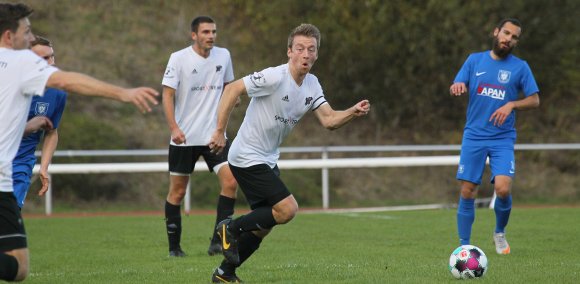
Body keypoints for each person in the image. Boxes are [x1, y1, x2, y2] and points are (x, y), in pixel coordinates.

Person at [0, 3, 158, 281]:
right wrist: (123, 93)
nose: (30, 37)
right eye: (26, 31)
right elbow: (69, 80)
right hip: (3, 177)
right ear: (8, 36)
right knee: (18, 266)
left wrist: (30, 129)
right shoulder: (20, 60)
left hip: (7, 176)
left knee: (19, 266)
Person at [207, 23, 371, 282]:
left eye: (311, 49)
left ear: (317, 54)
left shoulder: (312, 85)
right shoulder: (275, 76)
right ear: (289, 52)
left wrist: (353, 111)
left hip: (267, 158)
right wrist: (219, 131)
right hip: (247, 155)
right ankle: (229, 227)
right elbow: (232, 89)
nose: (306, 54)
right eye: (300, 49)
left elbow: (329, 120)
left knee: (265, 225)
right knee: (288, 209)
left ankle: (224, 274)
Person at [449, 18, 540, 255]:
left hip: (502, 138)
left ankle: (499, 233)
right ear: (496, 32)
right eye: (506, 33)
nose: (508, 39)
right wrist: (457, 85)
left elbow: (534, 100)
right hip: (474, 136)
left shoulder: (520, 67)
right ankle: (464, 247)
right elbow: (457, 82)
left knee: (503, 189)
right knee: (468, 190)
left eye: (514, 37)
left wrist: (511, 104)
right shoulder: (474, 60)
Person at [161, 15, 238, 258]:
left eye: (213, 31)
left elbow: (230, 89)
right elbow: (167, 95)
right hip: (185, 137)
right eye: (205, 32)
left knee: (231, 182)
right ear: (194, 35)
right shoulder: (178, 58)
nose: (211, 36)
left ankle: (218, 240)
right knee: (178, 192)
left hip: (215, 136)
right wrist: (174, 128)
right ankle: (174, 248)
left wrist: (230, 104)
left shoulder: (223, 56)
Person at [12, 35, 67, 209]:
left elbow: (52, 132)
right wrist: (32, 125)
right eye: (43, 59)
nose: (50, 63)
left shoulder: (58, 93)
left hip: (21, 165)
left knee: (9, 216)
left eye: (51, 56)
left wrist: (43, 167)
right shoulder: (8, 85)